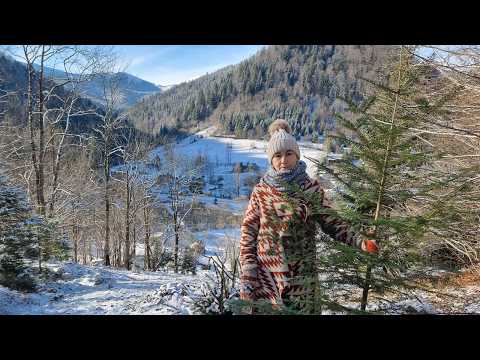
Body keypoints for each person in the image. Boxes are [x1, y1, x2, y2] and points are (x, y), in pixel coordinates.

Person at [239, 119, 378, 314]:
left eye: (289, 154)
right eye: (277, 155)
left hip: (302, 280)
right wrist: (248, 270)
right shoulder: (261, 191)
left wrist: (361, 242)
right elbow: (249, 231)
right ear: (271, 159)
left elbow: (333, 223)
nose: (283, 160)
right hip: (267, 279)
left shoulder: (311, 189)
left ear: (297, 155)